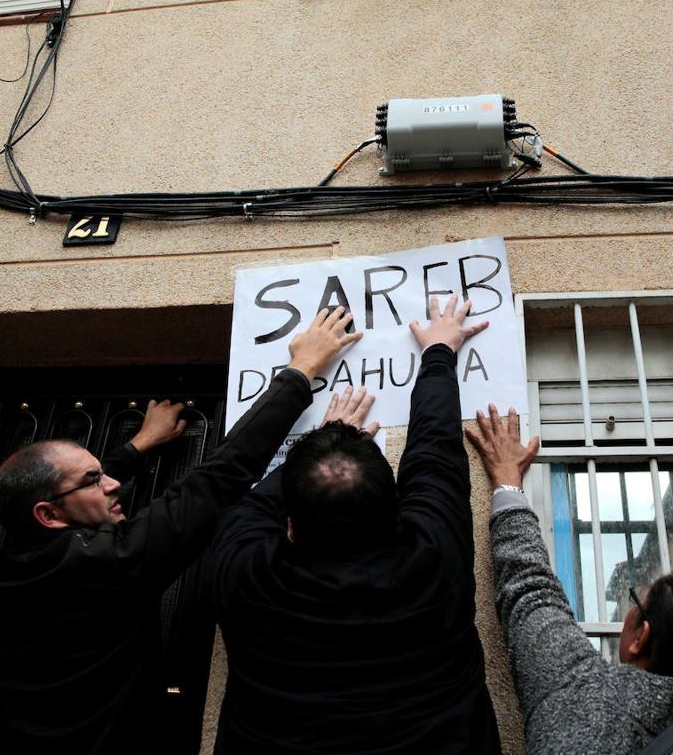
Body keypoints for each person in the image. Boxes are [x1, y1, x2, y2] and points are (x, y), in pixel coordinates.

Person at [0, 306, 362, 755]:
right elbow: (218, 478)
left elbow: (69, 494)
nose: (112, 483)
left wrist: (137, 447)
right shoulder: (108, 564)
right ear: (48, 516)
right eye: (95, 480)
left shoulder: (9, 563)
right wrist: (302, 371)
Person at [213, 295, 503, 754]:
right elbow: (435, 453)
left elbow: (238, 498)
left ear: (290, 526)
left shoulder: (248, 574)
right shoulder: (433, 556)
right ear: (395, 508)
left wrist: (317, 442)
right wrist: (438, 353)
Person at [466, 406, 673, 755]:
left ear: (642, 637)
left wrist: (507, 480)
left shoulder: (582, 698)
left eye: (638, 601)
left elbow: (529, 589)